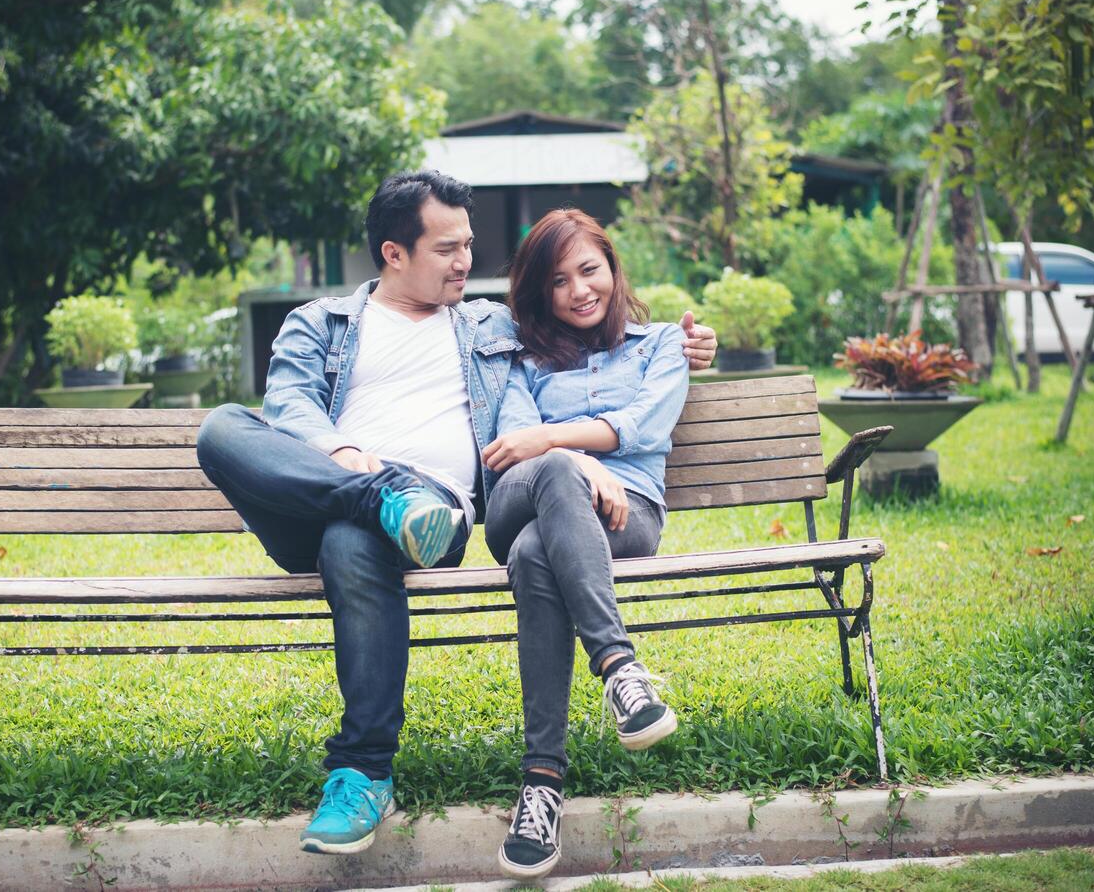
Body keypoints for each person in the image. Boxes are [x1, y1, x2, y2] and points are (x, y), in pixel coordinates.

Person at [195, 172, 717, 856]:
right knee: (222, 428)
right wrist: (347, 455)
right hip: (327, 490)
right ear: (393, 253)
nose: (465, 262)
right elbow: (289, 407)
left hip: (431, 517)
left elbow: (577, 332)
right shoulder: (319, 322)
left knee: (355, 543)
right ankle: (379, 498)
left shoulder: (487, 325)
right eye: (447, 249)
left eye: (468, 245)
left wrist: (689, 347)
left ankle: (362, 773)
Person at [479, 209, 690, 880]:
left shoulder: (660, 344)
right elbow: (516, 447)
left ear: (612, 267)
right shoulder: (523, 359)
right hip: (523, 497)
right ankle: (619, 668)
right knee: (549, 478)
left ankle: (540, 783)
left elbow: (645, 424)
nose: (577, 290)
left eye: (588, 270)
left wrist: (558, 439)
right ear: (539, 291)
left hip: (625, 516)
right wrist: (571, 458)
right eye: (557, 280)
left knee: (539, 554)